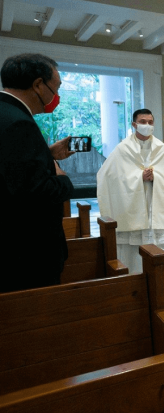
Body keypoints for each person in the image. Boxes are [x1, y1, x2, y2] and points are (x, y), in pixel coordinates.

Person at [0, 53, 74, 293]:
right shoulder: (18, 123)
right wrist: (63, 180)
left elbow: (13, 173)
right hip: (26, 255)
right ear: (38, 85)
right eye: (56, 87)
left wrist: (47, 155)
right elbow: (34, 192)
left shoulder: (6, 114)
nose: (57, 96)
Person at [97, 108, 164, 291]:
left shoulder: (161, 148)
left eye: (151, 122)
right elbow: (108, 176)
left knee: (161, 239)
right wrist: (137, 177)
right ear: (134, 124)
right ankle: (135, 274)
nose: (147, 125)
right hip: (133, 204)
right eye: (143, 122)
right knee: (136, 240)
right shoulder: (123, 149)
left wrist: (157, 177)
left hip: (155, 201)